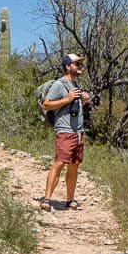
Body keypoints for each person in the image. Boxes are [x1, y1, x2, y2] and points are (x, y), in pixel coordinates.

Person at [40, 53, 91, 212]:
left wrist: (82, 101)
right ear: (68, 66)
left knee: (74, 165)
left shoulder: (76, 86)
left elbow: (74, 109)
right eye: (77, 64)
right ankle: (47, 199)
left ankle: (70, 199)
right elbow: (46, 105)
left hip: (78, 132)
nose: (80, 66)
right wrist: (68, 99)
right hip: (64, 131)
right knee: (59, 163)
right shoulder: (59, 84)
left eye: (80, 64)